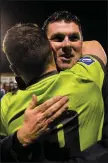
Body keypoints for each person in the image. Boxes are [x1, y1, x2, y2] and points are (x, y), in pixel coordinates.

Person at [0, 22, 107, 163]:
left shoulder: (5, 107)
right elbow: (95, 46)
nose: (66, 44)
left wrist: (19, 138)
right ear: (51, 48)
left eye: (73, 38)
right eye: (58, 39)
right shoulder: (86, 77)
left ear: (15, 70)